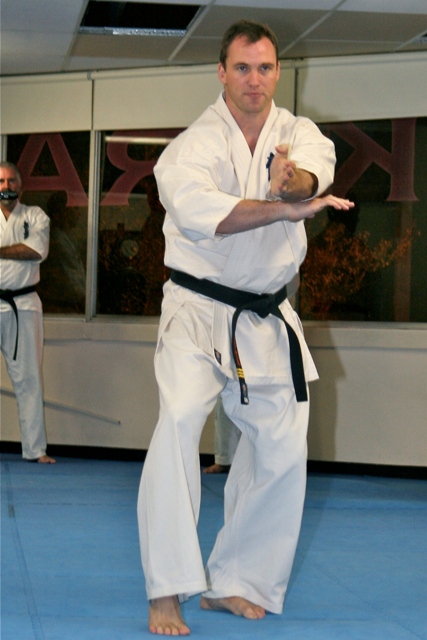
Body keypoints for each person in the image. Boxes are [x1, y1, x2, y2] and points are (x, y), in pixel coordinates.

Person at [137, 20, 354, 635]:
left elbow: (315, 171)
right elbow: (214, 217)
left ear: (278, 72)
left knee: (282, 448)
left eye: (264, 68)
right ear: (222, 72)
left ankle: (236, 581)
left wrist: (295, 183)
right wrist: (285, 207)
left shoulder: (297, 132)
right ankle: (166, 588)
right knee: (180, 421)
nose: (254, 80)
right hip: (196, 309)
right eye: (242, 68)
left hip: (266, 313)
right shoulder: (190, 148)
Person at [204, 275, 300, 475]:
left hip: (271, 325)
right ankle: (224, 458)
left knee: (271, 400)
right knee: (227, 390)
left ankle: (268, 460)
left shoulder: (286, 267)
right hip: (236, 320)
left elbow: (290, 286)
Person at [0, 161, 55, 464]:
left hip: (23, 305)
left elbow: (36, 251)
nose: (5, 186)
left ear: (20, 186)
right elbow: (23, 250)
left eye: (11, 181)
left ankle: (35, 450)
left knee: (29, 378)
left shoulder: (35, 216)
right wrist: (14, 249)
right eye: (1, 181)